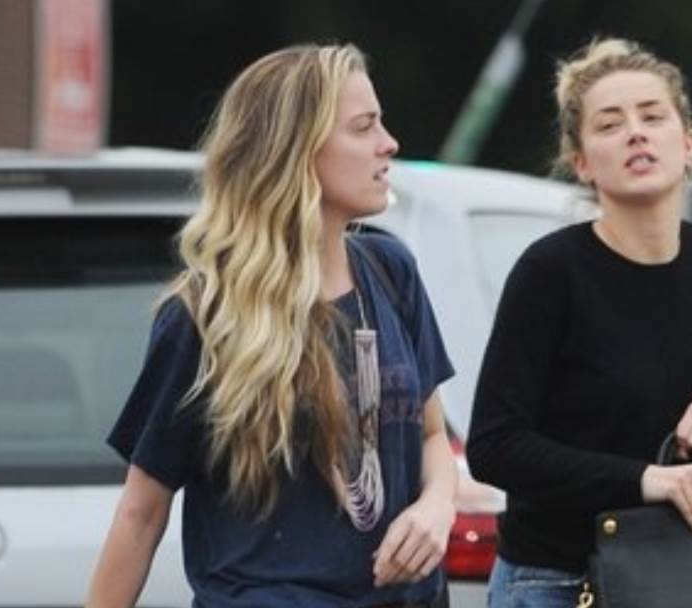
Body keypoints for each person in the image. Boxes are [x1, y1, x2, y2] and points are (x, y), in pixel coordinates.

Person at [86, 43, 457, 608]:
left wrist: (436, 507)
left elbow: (433, 436)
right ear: (295, 150)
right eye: (363, 127)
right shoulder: (205, 315)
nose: (389, 143)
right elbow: (142, 511)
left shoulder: (390, 270)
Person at [466, 37, 692, 607]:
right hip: (560, 581)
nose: (635, 134)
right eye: (609, 124)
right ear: (581, 163)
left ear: (689, 144)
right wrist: (648, 480)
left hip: (688, 575)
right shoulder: (550, 271)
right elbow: (496, 446)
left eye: (652, 116)